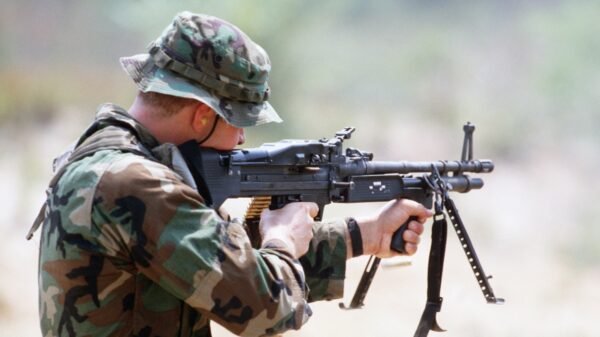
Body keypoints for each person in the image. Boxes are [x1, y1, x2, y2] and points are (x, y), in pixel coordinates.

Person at [32, 11, 432, 337]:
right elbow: (266, 308)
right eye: (239, 121)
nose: (241, 137)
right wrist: (280, 239)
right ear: (204, 114)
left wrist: (367, 234)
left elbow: (225, 267)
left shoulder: (115, 160)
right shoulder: (137, 183)